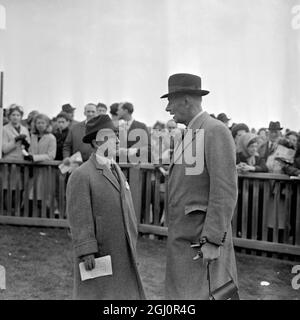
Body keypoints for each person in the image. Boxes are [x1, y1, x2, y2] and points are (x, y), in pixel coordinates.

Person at [162, 73, 238, 299]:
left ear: (186, 100)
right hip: (186, 239)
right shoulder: (190, 133)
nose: (167, 108)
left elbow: (224, 189)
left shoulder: (215, 130)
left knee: (211, 293)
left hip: (201, 241)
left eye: (171, 101)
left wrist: (213, 240)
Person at [66, 114, 146, 300]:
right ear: (95, 143)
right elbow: (79, 217)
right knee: (99, 295)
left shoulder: (116, 169)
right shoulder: (82, 175)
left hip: (121, 250)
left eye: (117, 135)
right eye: (111, 136)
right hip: (100, 252)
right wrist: (87, 250)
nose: (117, 140)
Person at [1, 104, 31, 211]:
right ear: (9, 116)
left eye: (18, 115)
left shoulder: (24, 129)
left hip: (22, 163)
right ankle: (6, 211)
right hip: (9, 164)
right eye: (13, 114)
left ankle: (17, 210)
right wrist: (15, 140)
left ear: (21, 116)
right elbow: (4, 149)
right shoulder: (4, 129)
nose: (15, 117)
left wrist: (26, 145)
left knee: (20, 188)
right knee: (8, 188)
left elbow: (28, 146)